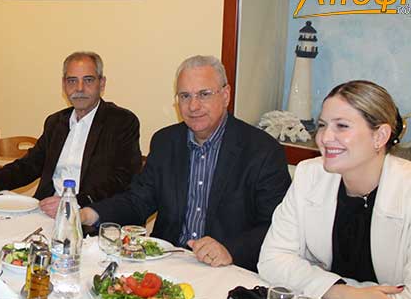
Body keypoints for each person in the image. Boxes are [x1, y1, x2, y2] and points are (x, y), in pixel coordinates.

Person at [80, 55, 291, 272]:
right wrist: (89, 214)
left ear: (225, 95)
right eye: (185, 96)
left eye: (204, 94)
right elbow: (138, 201)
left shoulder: (262, 150)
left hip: (226, 269)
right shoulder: (165, 141)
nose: (193, 106)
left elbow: (277, 225)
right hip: (167, 263)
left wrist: (231, 250)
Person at [258, 80, 411, 299]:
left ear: (380, 136)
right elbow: (271, 261)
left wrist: (316, 285)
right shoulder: (309, 175)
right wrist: (345, 294)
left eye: (342, 126)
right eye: (322, 125)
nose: (325, 137)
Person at [0, 51, 141, 216]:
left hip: (89, 217)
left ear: (101, 83)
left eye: (88, 80)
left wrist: (72, 202)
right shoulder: (56, 122)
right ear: (64, 85)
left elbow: (123, 179)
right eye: (72, 81)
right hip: (45, 211)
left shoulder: (122, 122)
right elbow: (29, 166)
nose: (79, 88)